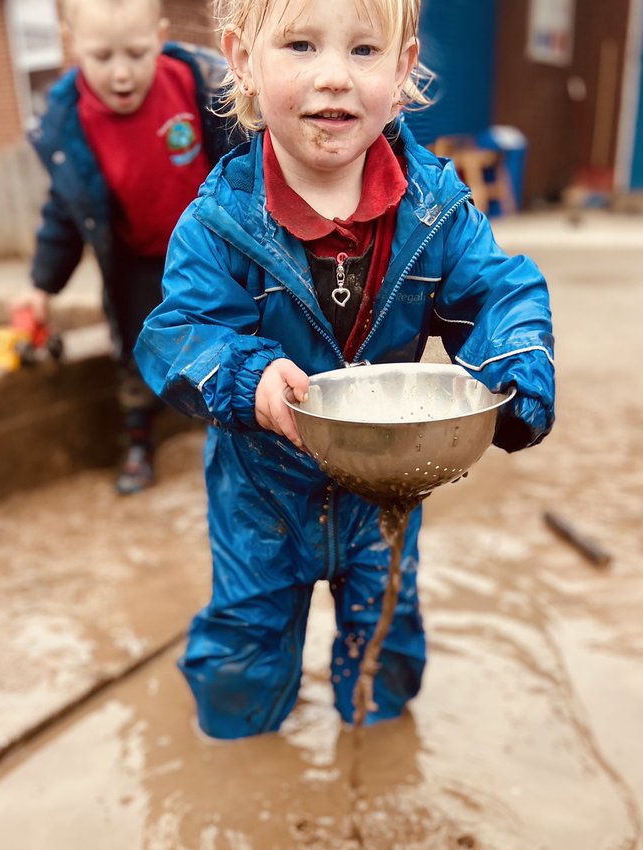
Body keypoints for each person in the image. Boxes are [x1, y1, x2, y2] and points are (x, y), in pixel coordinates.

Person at [135, 0, 555, 737]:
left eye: (364, 51)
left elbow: (501, 292)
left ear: (402, 68)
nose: (334, 77)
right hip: (262, 493)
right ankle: (244, 750)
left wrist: (514, 372)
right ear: (241, 58)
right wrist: (251, 378)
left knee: (385, 641)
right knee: (247, 647)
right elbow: (178, 333)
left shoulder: (436, 209)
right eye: (300, 45)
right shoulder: (217, 221)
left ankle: (376, 745)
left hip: (387, 487)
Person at [18, 0, 241, 494]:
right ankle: (139, 441)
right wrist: (41, 286)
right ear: (71, 45)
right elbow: (64, 211)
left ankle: (232, 429)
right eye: (101, 57)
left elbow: (245, 162)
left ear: (160, 37)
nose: (121, 73)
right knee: (137, 352)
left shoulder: (200, 85)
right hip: (135, 259)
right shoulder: (69, 124)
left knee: (228, 331)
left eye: (137, 54)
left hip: (210, 249)